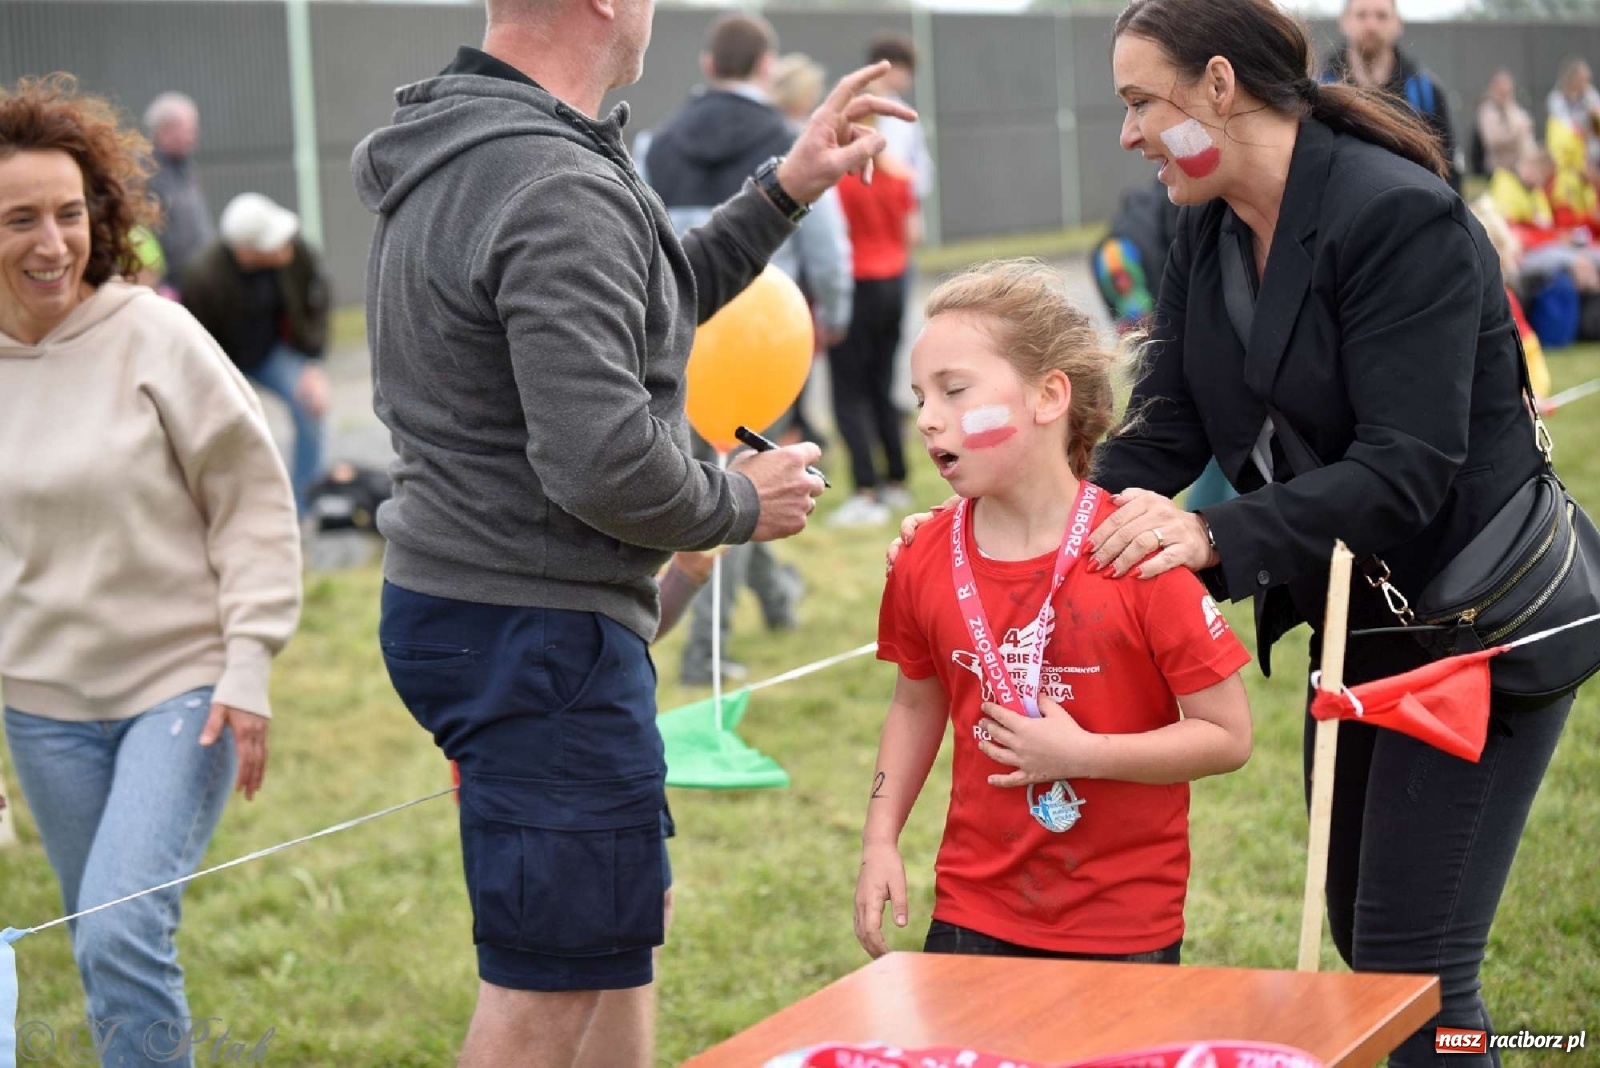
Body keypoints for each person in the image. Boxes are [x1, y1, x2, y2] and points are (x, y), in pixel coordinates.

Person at [348, 0, 911, 1059]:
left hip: (484, 610)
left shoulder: (483, 143)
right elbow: (601, 458)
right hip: (536, 630)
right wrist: (741, 502)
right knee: (543, 988)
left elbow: (646, 303)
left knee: (611, 936)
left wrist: (786, 186)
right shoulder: (550, 179)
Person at [1079, 0, 1576, 1060]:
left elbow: (1407, 468)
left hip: (1473, 626)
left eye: (1138, 102)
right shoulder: (1204, 219)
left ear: (1219, 85)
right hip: (1357, 619)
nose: (1124, 133)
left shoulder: (1396, 216)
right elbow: (1163, 423)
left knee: (1415, 968)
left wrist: (1211, 540)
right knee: (1364, 929)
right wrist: (1047, 522)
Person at [0, 75, 301, 1068]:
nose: (51, 243)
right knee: (100, 944)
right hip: (41, 711)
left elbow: (251, 495)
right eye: (19, 220)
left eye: (69, 214)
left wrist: (250, 658)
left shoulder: (153, 332)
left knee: (122, 930)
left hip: (183, 687)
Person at [856, 260, 1252, 964]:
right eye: (920, 397)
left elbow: (1227, 736)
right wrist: (880, 837)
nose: (926, 419)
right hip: (971, 912)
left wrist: (1083, 755)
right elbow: (915, 706)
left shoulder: (1140, 555)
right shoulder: (922, 558)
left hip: (1123, 927)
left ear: (1048, 398)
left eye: (953, 391)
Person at [635, 14, 842, 685]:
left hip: (672, 339)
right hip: (765, 340)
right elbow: (823, 237)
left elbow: (635, 242)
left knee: (712, 483)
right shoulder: (785, 139)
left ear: (705, 64)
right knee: (749, 486)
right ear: (764, 67)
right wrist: (835, 311)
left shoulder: (654, 144)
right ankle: (707, 653)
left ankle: (774, 601)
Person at [181, 192, 330, 515]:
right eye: (274, 244)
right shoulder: (202, 278)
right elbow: (193, 345)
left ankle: (303, 510)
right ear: (246, 251)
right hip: (222, 362)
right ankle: (231, 513)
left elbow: (316, 302)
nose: (285, 247)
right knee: (229, 432)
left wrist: (312, 365)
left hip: (273, 353)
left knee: (310, 409)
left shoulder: (294, 251)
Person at [828, 121, 922, 527]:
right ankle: (897, 480)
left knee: (848, 393)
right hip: (892, 283)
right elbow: (912, 234)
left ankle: (865, 489)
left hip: (855, 286)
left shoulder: (839, 185)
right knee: (882, 385)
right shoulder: (900, 175)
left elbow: (830, 241)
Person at [1319, 0, 1459, 190]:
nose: (1371, 25)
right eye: (1361, 15)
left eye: (1381, 16)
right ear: (1344, 22)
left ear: (1398, 23)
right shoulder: (1318, 89)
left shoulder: (1425, 92)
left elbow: (1447, 170)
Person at [142, 91, 213, 292]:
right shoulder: (146, 174)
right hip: (171, 288)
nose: (194, 136)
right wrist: (161, 284)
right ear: (164, 131)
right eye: (188, 129)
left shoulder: (186, 169)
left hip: (198, 282)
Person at [1476, 68, 1536, 178]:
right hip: (1502, 169)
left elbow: (1526, 126)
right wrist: (1515, 133)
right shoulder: (1488, 110)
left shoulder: (1514, 107)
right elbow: (1492, 140)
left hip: (1522, 167)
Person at [1546, 57, 1600, 173]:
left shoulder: (1591, 95)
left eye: (1587, 79)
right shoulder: (1556, 99)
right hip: (1567, 154)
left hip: (1591, 152)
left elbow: (1597, 126)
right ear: (1572, 78)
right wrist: (1582, 132)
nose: (1585, 83)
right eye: (1581, 79)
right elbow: (1564, 125)